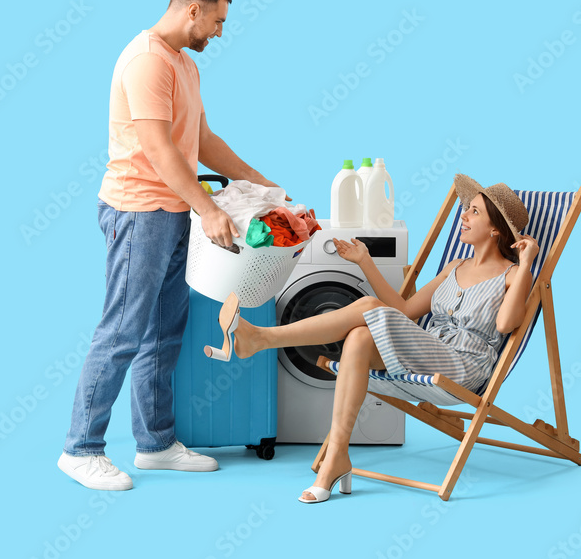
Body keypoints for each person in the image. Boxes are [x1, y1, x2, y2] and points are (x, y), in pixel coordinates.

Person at [58, 0, 283, 491]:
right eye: (219, 21)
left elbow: (199, 138)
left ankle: (155, 443)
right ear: (193, 10)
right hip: (140, 212)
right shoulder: (147, 61)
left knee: (164, 333)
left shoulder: (183, 63)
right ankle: (81, 448)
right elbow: (159, 150)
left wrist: (258, 180)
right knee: (122, 331)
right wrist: (208, 208)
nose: (221, 33)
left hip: (171, 212)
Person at [209, 174, 538, 503]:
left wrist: (525, 265)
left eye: (475, 212)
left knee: (366, 308)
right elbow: (404, 309)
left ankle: (261, 339)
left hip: (464, 367)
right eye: (466, 209)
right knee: (360, 339)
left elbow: (507, 323)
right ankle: (337, 457)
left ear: (496, 229)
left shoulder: (510, 275)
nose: (463, 216)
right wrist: (365, 261)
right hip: (428, 350)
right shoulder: (455, 266)